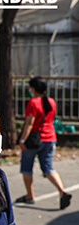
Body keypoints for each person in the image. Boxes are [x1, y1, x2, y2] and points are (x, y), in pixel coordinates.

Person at [16, 77, 70, 210]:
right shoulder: (52, 101)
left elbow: (29, 124)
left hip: (35, 140)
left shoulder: (33, 103)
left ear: (33, 89)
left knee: (27, 168)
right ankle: (62, 191)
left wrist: (22, 140)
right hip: (50, 138)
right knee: (49, 168)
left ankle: (30, 195)